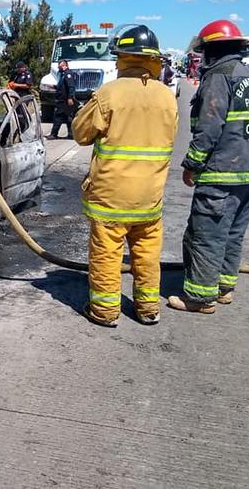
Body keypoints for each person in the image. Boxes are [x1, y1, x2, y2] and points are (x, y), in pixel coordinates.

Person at [72, 25, 178, 327]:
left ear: (122, 58)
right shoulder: (167, 97)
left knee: (107, 253)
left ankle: (105, 312)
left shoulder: (109, 93)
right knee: (146, 253)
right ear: (154, 60)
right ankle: (148, 310)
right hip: (150, 196)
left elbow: (81, 133)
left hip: (111, 195)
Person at [168, 20, 249, 313]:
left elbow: (209, 127)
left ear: (213, 50)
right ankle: (223, 288)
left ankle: (199, 298)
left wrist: (192, 164)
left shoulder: (219, 78)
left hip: (220, 173)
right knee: (233, 234)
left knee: (206, 235)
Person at [49, 59, 78, 139]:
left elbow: (71, 87)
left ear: (65, 66)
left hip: (65, 100)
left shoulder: (68, 74)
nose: (59, 67)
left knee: (58, 117)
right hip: (61, 99)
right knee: (67, 117)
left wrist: (70, 97)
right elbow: (62, 87)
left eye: (61, 66)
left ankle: (54, 134)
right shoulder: (62, 74)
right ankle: (71, 134)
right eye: (59, 66)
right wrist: (54, 87)